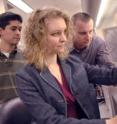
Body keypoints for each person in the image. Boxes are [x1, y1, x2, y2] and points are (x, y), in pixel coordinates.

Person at [16, 8, 117, 124]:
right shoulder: (26, 77)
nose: (64, 39)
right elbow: (51, 120)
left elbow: (106, 74)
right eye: (55, 34)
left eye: (64, 32)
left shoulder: (72, 62)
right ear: (37, 38)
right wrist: (108, 122)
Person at [70, 12, 115, 103]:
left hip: (88, 92)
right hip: (68, 94)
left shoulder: (98, 43)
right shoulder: (62, 47)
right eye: (83, 33)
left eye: (91, 31)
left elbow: (107, 69)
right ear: (71, 31)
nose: (88, 37)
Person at [0, 12, 26, 104]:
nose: (18, 33)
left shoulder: (26, 58)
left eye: (20, 29)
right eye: (13, 29)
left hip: (24, 112)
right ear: (1, 31)